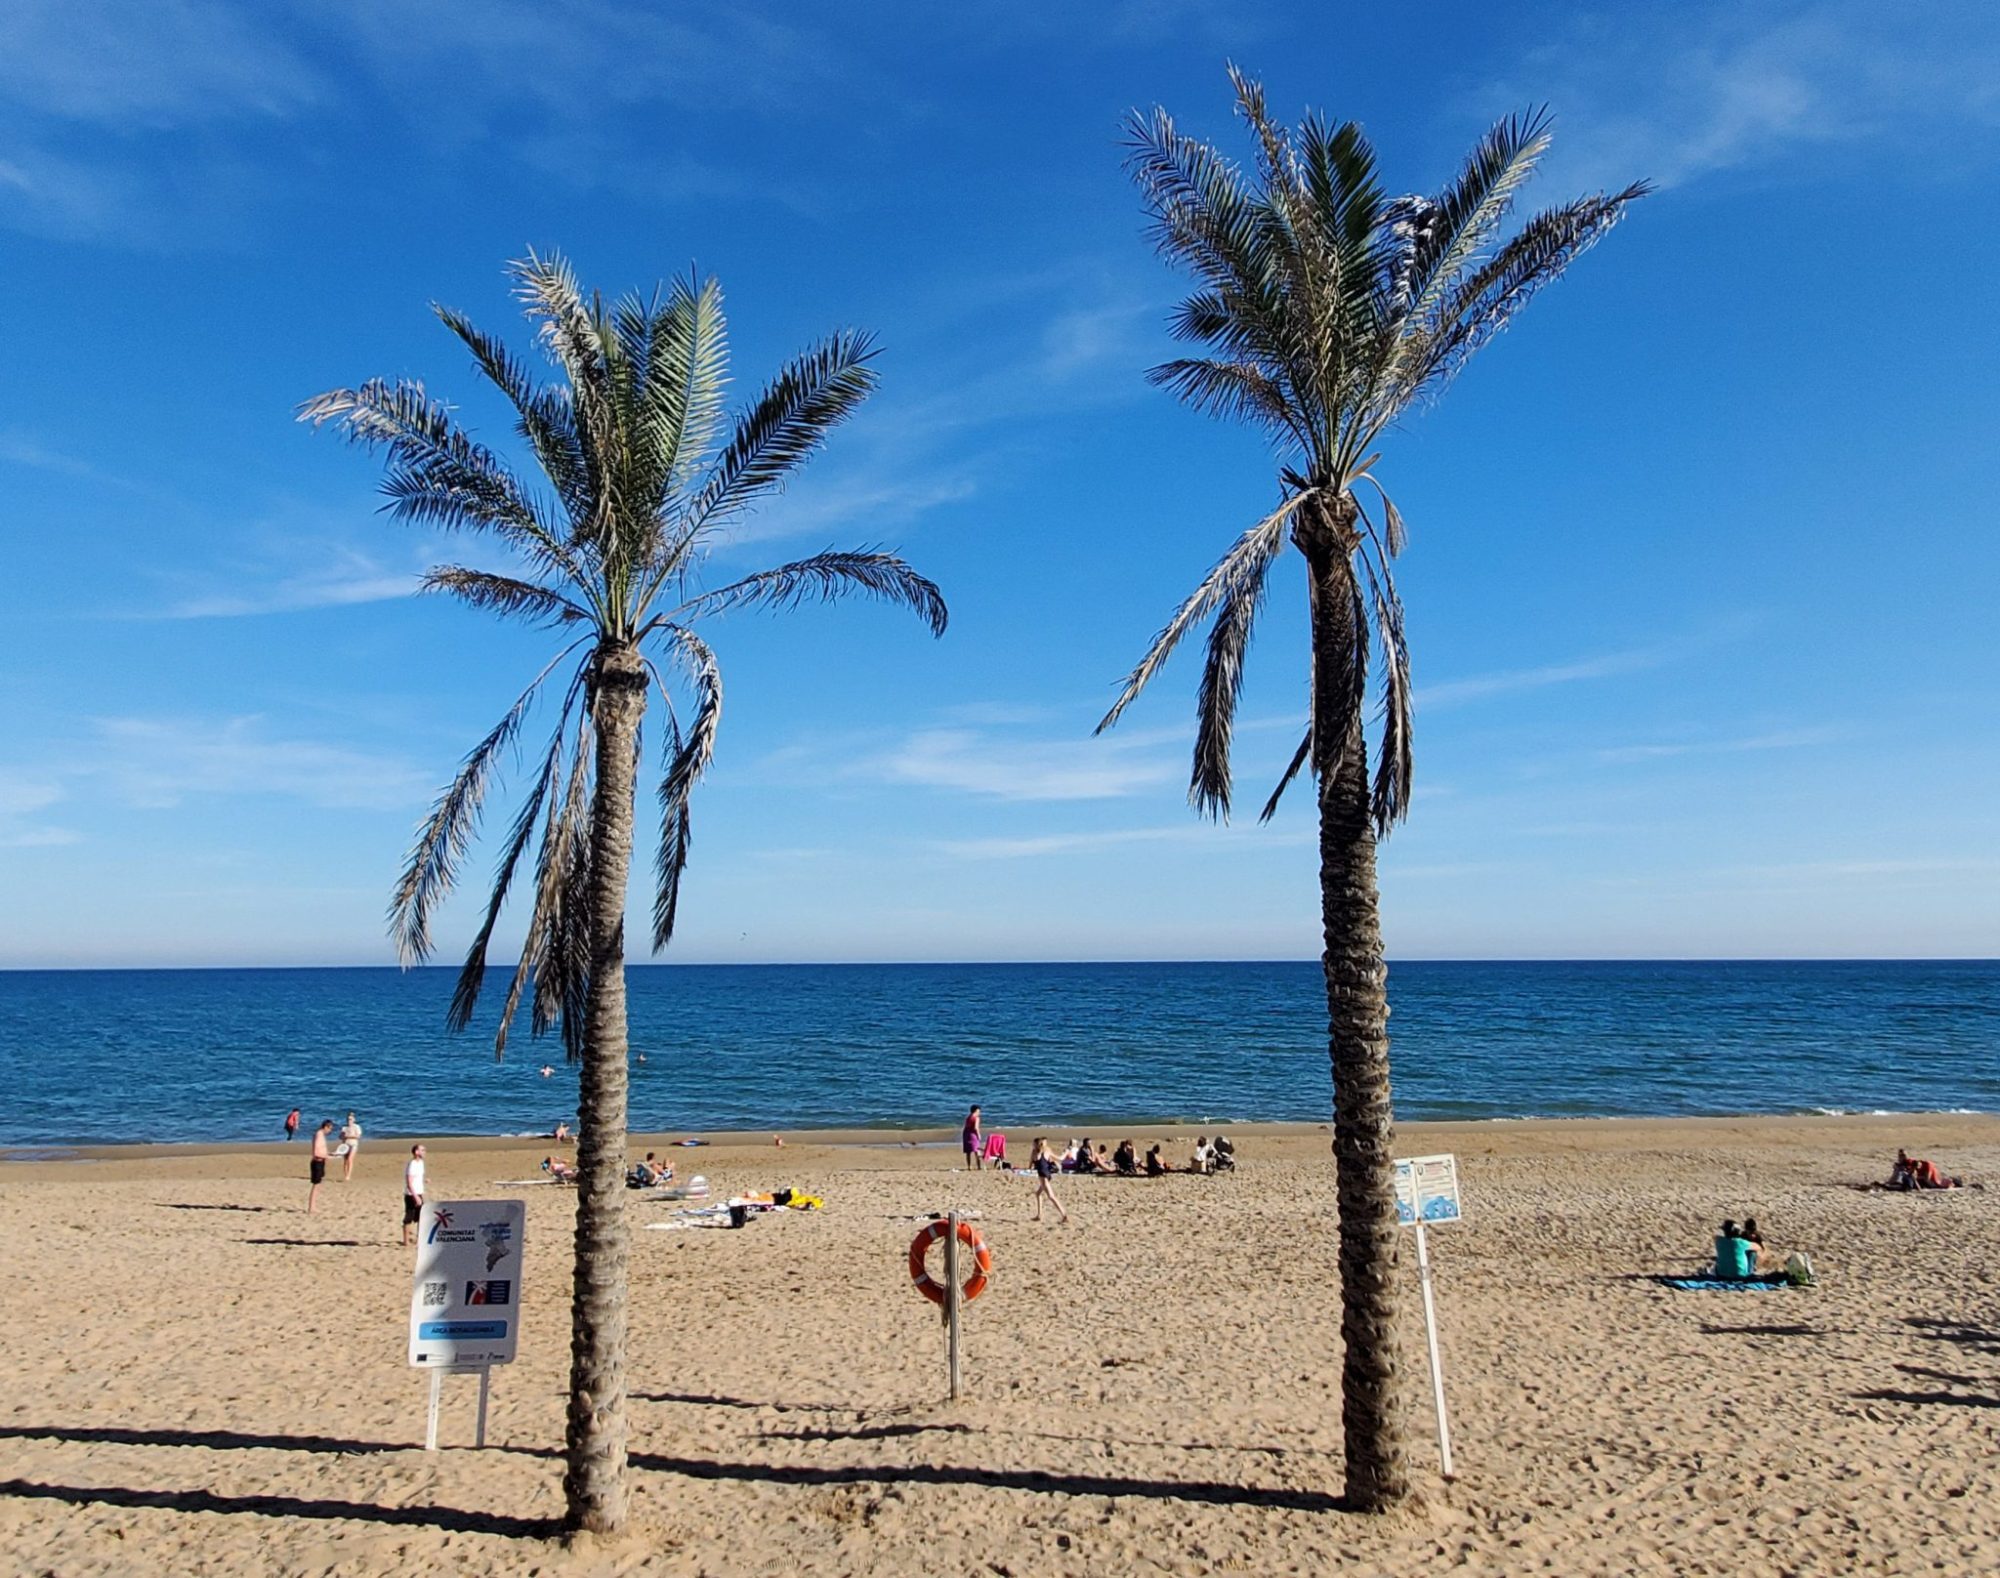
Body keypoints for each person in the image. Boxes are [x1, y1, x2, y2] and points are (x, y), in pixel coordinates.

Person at [1030, 1137, 1069, 1224]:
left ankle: (1064, 1215)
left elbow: (1030, 1165)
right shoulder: (1047, 1151)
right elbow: (1060, 1158)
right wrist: (1065, 1153)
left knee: (1051, 1196)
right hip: (1048, 1175)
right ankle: (1039, 1215)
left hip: (1043, 1177)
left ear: (1035, 1145)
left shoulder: (1034, 1153)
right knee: (1038, 1194)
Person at [402, 1144, 426, 1246]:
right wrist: (415, 1196)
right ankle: (406, 1241)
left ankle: (419, 1239)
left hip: (419, 1192)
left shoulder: (421, 1163)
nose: (424, 1152)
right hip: (411, 1194)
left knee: (420, 1217)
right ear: (416, 1152)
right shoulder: (412, 1164)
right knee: (409, 1217)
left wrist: (425, 1180)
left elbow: (418, 1176)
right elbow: (409, 1182)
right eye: (422, 1150)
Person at [307, 1120, 333, 1213]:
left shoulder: (320, 1135)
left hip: (321, 1161)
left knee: (318, 1185)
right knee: (316, 1185)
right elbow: (316, 1152)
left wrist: (328, 1154)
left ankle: (313, 1207)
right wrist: (326, 1156)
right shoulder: (319, 1134)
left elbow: (321, 1149)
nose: (330, 1131)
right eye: (330, 1129)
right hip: (317, 1162)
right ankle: (311, 1208)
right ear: (326, 1127)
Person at [338, 1111, 362, 1181]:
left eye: (351, 1119)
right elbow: (340, 1136)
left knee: (350, 1159)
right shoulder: (344, 1128)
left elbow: (358, 1136)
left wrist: (349, 1136)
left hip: (353, 1144)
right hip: (345, 1145)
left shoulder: (356, 1127)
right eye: (348, 1119)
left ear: (354, 1120)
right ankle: (346, 1175)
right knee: (345, 1161)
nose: (349, 1121)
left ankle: (349, 1175)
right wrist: (343, 1136)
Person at [962, 1105, 983, 1170]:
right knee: (977, 1150)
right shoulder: (976, 1118)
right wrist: (979, 1135)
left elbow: (966, 1126)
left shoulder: (968, 1117)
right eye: (979, 1111)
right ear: (976, 1111)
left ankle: (969, 1166)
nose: (979, 1112)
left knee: (968, 1152)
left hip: (966, 1133)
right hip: (972, 1134)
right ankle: (979, 1166)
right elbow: (976, 1128)